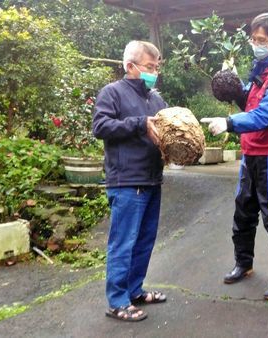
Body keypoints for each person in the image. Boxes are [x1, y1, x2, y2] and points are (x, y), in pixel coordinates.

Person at [201, 13, 268, 300]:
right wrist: (233, 88)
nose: (256, 44)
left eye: (262, 40)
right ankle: (243, 263)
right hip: (250, 154)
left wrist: (229, 123)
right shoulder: (261, 67)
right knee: (243, 212)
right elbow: (250, 100)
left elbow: (267, 114)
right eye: (253, 39)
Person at [92, 40, 168, 322]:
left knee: (145, 241)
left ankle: (134, 291)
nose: (154, 72)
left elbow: (166, 127)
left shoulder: (155, 98)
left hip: (152, 179)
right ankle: (117, 301)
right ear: (130, 66)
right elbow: (100, 127)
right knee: (123, 243)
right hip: (126, 181)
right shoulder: (112, 93)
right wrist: (139, 123)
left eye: (156, 67)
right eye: (149, 67)